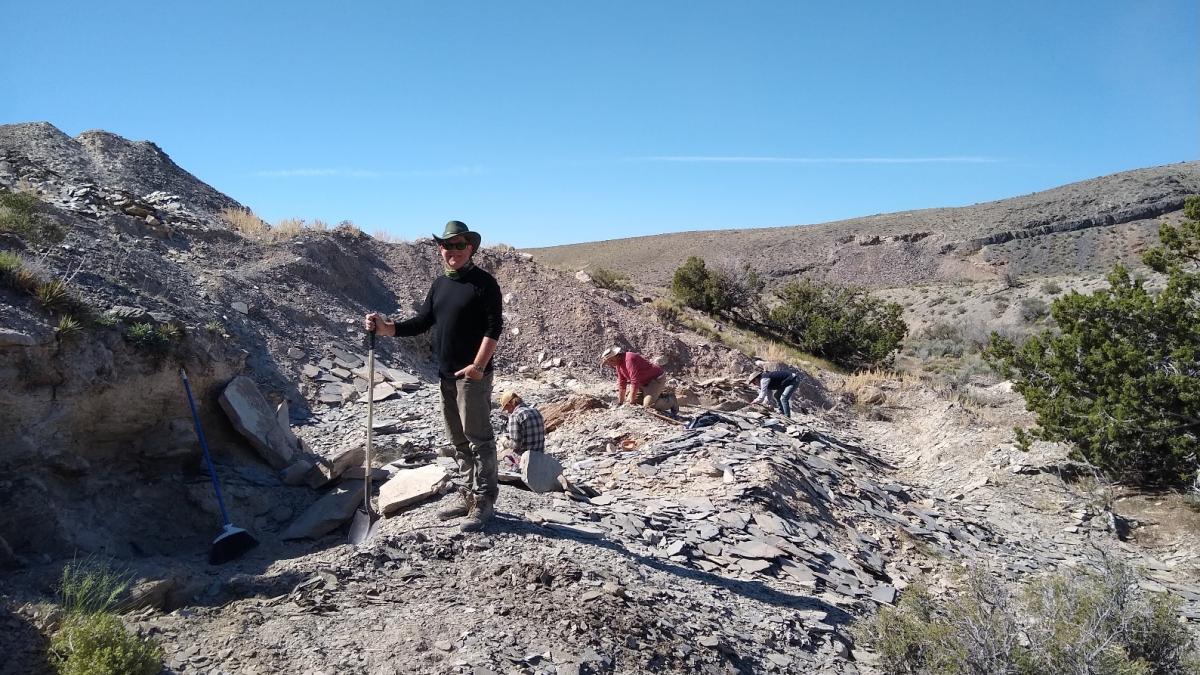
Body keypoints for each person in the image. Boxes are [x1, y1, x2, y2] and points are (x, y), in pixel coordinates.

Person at [365, 220, 503, 532]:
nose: (453, 250)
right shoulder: (440, 284)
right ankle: (468, 495)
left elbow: (495, 328)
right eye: (447, 245)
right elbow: (424, 321)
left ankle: (484, 501)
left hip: (472, 376)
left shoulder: (484, 284)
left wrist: (478, 367)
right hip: (445, 375)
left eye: (459, 245)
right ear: (440, 249)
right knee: (457, 439)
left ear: (470, 249)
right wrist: (387, 329)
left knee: (478, 438)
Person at [600, 346, 675, 413]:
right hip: (642, 383)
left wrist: (631, 403)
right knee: (630, 401)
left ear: (617, 356)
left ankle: (671, 401)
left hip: (654, 380)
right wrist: (621, 402)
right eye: (608, 362)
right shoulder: (618, 365)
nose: (610, 363)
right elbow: (622, 383)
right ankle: (654, 395)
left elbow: (634, 381)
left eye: (610, 360)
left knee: (648, 407)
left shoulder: (629, 359)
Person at [497, 390, 545, 471]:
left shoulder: (515, 416)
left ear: (510, 405)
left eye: (507, 409)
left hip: (526, 459)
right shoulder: (536, 411)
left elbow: (515, 445)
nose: (508, 411)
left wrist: (505, 442)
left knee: (504, 456)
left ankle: (516, 468)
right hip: (540, 456)